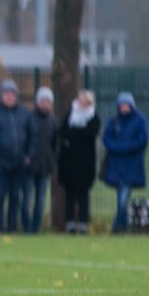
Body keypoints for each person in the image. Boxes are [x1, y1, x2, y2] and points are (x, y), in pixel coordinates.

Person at [0, 79, 34, 233]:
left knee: (15, 197)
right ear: (1, 95)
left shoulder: (25, 114)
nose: (9, 97)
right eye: (6, 93)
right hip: (0, 163)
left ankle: (12, 228)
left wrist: (28, 156)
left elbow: (32, 136)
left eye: (12, 94)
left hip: (18, 163)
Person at [102, 91, 148, 234]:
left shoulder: (140, 120)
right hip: (116, 165)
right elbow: (106, 138)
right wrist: (118, 148)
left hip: (132, 165)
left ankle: (117, 227)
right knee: (121, 196)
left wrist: (125, 148)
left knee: (124, 196)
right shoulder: (113, 121)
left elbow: (142, 140)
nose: (123, 107)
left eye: (126, 104)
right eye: (121, 104)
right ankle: (125, 227)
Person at [56, 89, 99, 234]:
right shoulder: (69, 115)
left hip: (86, 165)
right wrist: (76, 134)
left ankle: (83, 224)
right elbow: (62, 132)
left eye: (87, 102)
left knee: (83, 196)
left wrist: (73, 134)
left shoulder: (94, 118)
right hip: (69, 164)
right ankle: (70, 224)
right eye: (82, 101)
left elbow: (89, 134)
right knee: (70, 196)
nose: (84, 104)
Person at [25, 86, 59, 233]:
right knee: (27, 199)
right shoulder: (29, 119)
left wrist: (52, 161)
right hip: (30, 166)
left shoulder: (53, 121)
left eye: (48, 101)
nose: (46, 104)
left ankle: (35, 228)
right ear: (38, 102)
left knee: (40, 201)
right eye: (43, 101)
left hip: (45, 167)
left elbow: (56, 144)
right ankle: (26, 227)